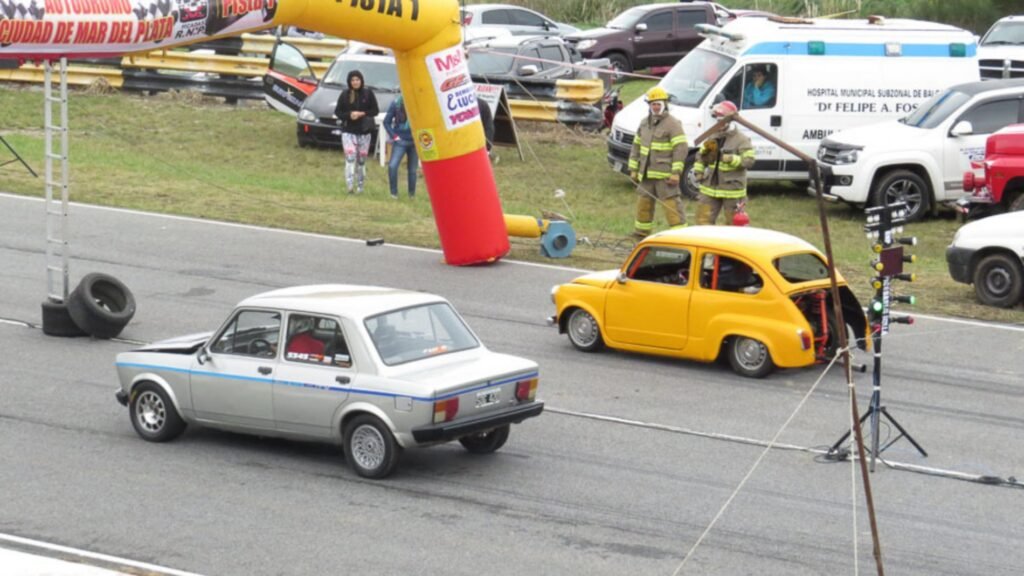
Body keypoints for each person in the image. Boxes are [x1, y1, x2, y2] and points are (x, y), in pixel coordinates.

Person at [628, 86, 688, 239]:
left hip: (665, 176)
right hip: (646, 175)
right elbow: (636, 146)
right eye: (653, 104)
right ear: (649, 105)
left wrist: (676, 173)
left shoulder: (672, 124)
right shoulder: (644, 124)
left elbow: (680, 149)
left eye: (658, 104)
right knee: (643, 204)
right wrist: (633, 169)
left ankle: (680, 236)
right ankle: (640, 234)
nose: (655, 107)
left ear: (664, 105)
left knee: (672, 206)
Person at [693, 101, 756, 225]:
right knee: (702, 222)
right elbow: (701, 157)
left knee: (734, 226)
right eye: (717, 120)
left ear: (730, 121)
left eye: (722, 120)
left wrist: (733, 159)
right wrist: (698, 172)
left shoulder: (741, 139)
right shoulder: (712, 137)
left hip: (732, 190)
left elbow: (749, 161)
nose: (719, 124)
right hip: (709, 188)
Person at [334, 70, 379, 194]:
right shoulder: (344, 95)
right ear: (349, 82)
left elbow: (375, 110)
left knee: (361, 160)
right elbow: (338, 112)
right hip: (349, 131)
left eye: (357, 80)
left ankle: (360, 187)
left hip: (364, 132)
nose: (355, 82)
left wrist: (362, 113)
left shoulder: (368, 94)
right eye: (353, 80)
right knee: (350, 157)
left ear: (361, 81)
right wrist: (349, 115)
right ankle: (350, 186)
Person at [383, 94, 417, 199]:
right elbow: (386, 122)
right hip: (400, 140)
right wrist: (394, 136)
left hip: (414, 141)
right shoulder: (396, 103)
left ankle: (411, 195)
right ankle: (394, 193)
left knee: (412, 170)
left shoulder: (418, 103)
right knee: (393, 166)